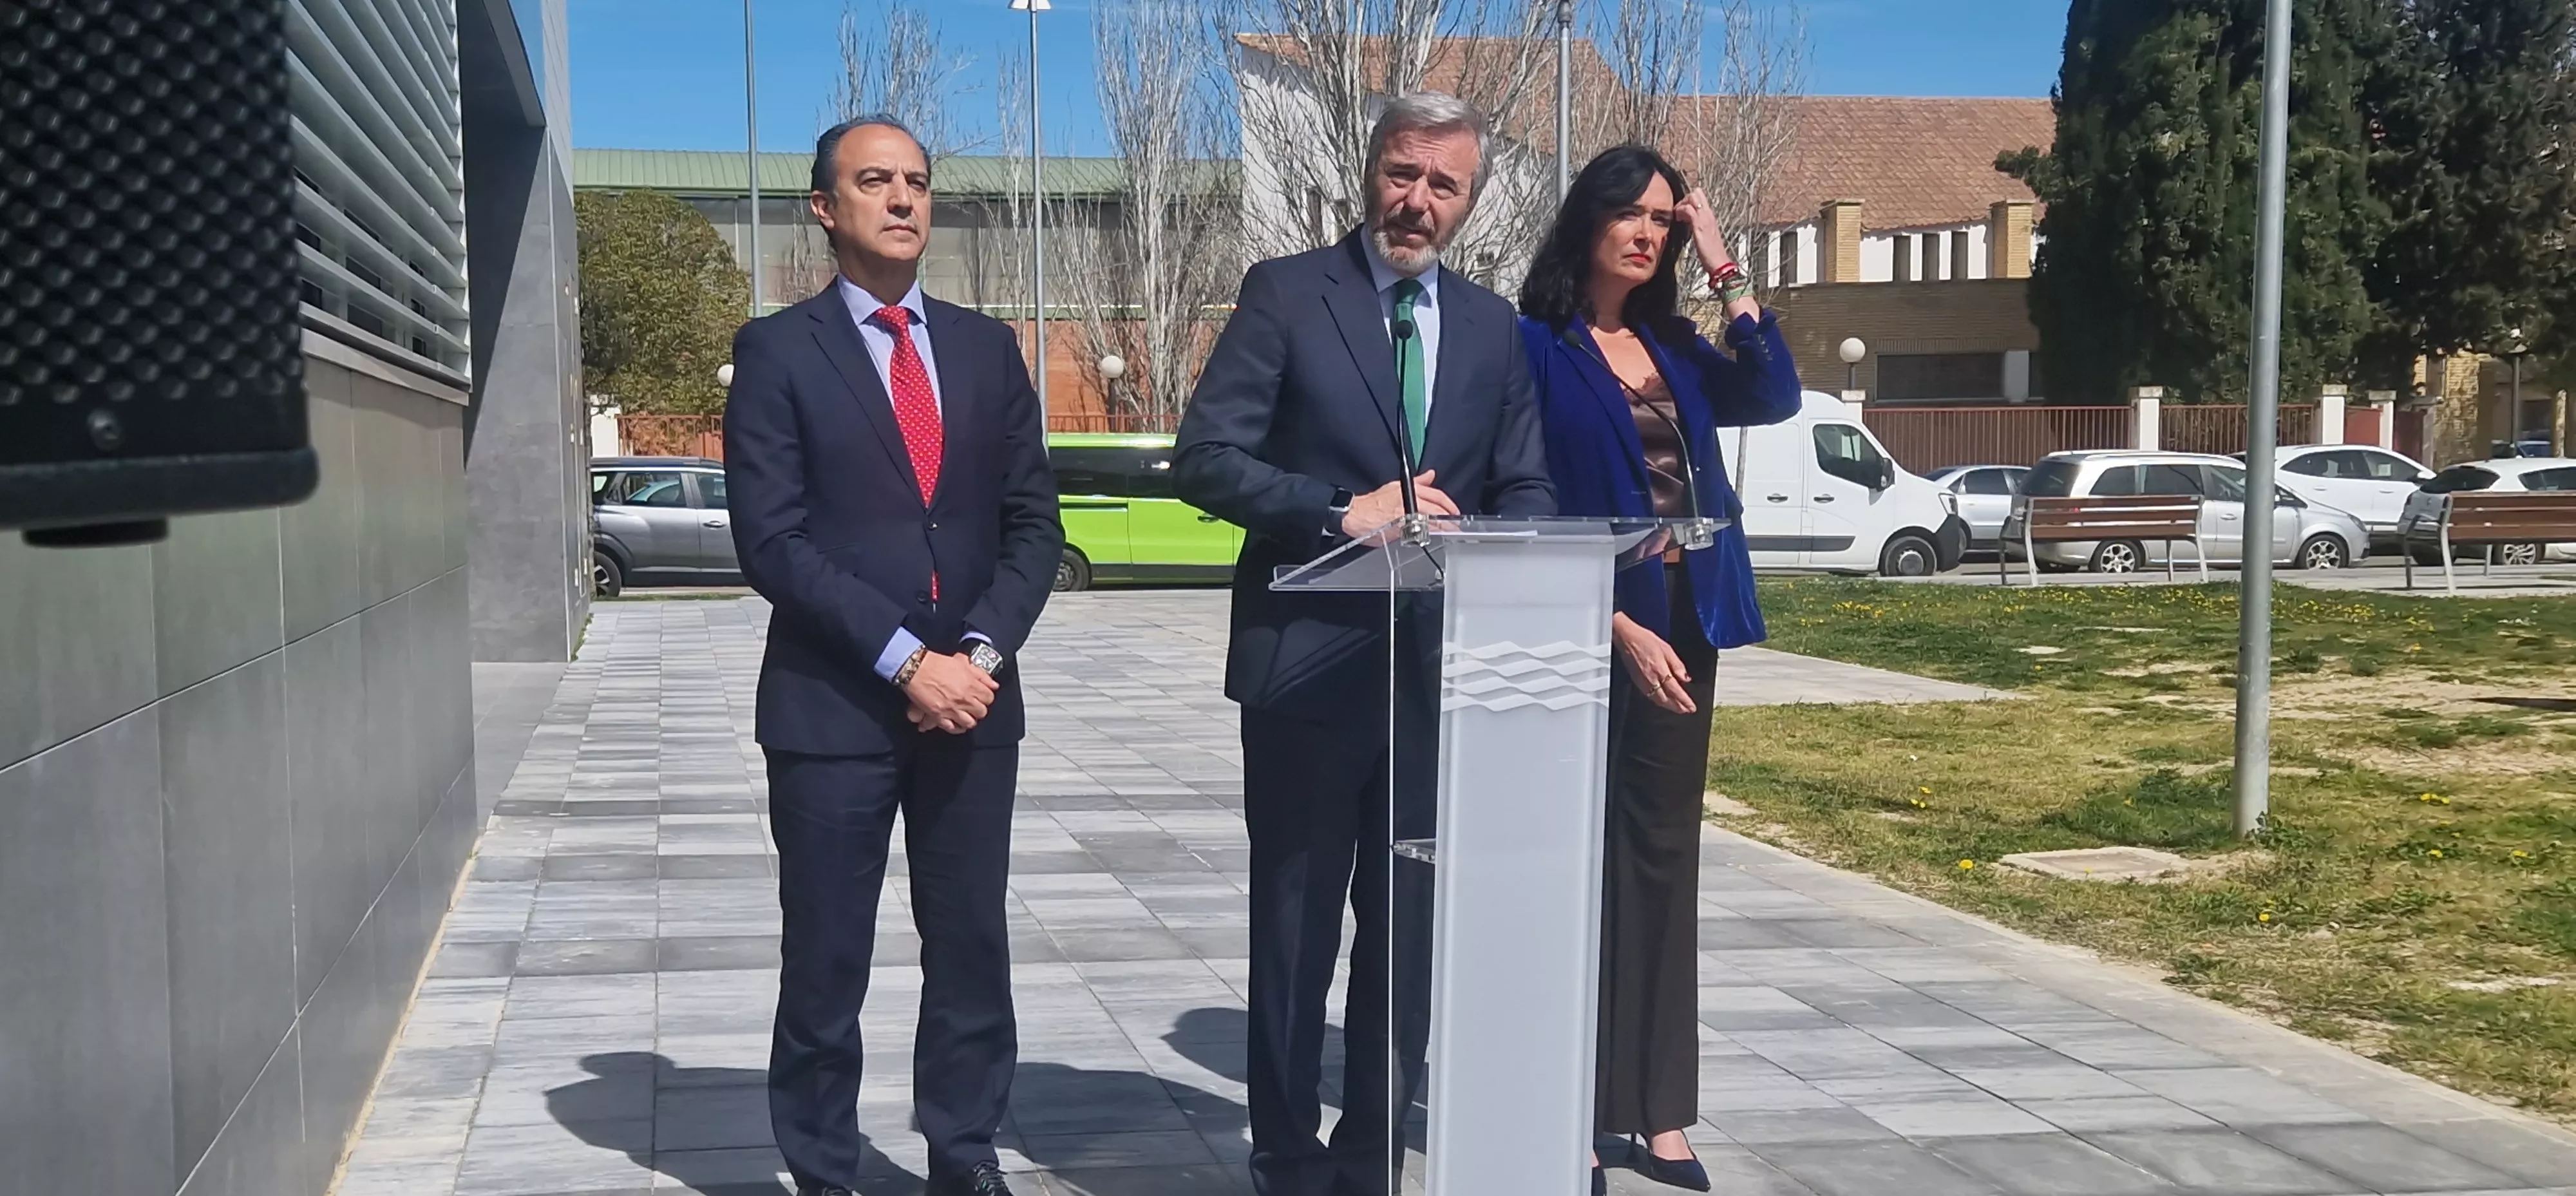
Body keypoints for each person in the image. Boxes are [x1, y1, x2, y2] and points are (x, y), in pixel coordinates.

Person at [1175, 92, 1556, 1196]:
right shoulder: (1290, 294)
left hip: (1443, 680)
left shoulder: (1494, 328)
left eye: (1443, 185)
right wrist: (1340, 507)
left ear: (1470, 201)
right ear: (1369, 171)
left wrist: (1494, 539)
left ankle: (1372, 1149)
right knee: (1294, 930)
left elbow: (1523, 480)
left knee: (1408, 930)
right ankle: (1287, 1156)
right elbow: (1207, 457)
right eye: (1403, 174)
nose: (1417, 201)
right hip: (1307, 670)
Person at [723, 115, 1063, 1196]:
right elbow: (772, 541)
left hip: (973, 701)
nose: (904, 200)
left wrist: (975, 653)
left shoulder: (985, 348)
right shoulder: (778, 351)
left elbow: (1033, 526)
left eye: (917, 182)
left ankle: (964, 1155)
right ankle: (825, 1169)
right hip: (833, 710)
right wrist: (905, 661)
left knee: (970, 951)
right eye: (876, 182)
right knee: (826, 960)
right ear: (826, 208)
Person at [1515, 145, 1802, 1192]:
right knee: (1578, 868)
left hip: (1691, 616)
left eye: (1663, 222)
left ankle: (1662, 1112)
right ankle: (1580, 1111)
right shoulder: (1534, 348)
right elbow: (1522, 504)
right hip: (1586, 628)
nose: (1648, 233)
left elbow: (1773, 397)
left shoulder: (1676, 344)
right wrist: (1601, 620)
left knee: (1663, 860)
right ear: (1586, 221)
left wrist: (1727, 265)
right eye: (1630, 215)